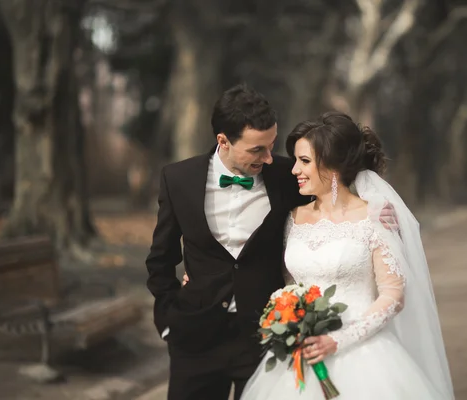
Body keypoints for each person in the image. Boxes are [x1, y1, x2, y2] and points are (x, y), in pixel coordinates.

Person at [146, 84, 398, 400]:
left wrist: (374, 204)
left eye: (271, 145)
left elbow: (333, 185)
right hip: (196, 339)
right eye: (256, 150)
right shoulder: (177, 179)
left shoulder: (285, 175)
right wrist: (169, 321)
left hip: (266, 341)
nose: (268, 157)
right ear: (223, 141)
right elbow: (159, 259)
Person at [241, 111, 455, 399]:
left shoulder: (375, 216)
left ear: (332, 167)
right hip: (301, 358)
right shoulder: (293, 218)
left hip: (365, 358)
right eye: (295, 161)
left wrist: (338, 340)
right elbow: (289, 285)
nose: (294, 170)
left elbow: (393, 295)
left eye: (304, 161)